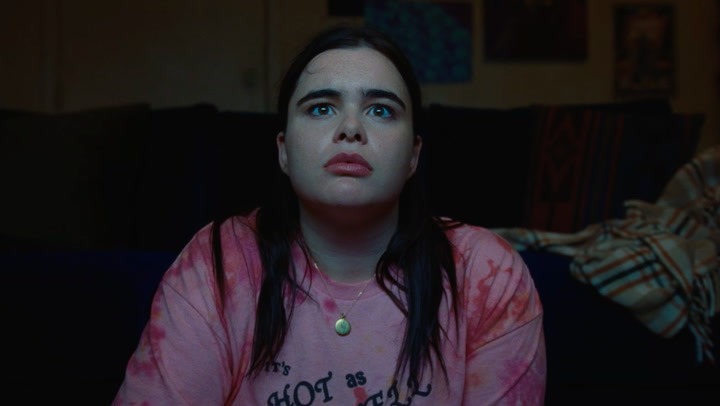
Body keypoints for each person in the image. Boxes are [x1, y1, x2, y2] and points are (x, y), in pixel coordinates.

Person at [113, 24, 546, 405]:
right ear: (284, 150)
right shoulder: (218, 265)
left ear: (414, 155)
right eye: (321, 108)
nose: (350, 128)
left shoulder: (487, 274)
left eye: (381, 110)